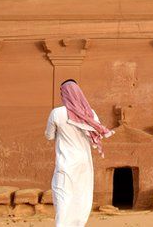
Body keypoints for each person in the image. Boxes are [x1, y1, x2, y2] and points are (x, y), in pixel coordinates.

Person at [45, 79, 114, 227]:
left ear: (64, 93)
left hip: (66, 162)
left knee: (62, 194)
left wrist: (61, 132)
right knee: (81, 195)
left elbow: (49, 136)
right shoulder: (90, 113)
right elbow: (95, 133)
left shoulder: (57, 113)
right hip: (84, 162)